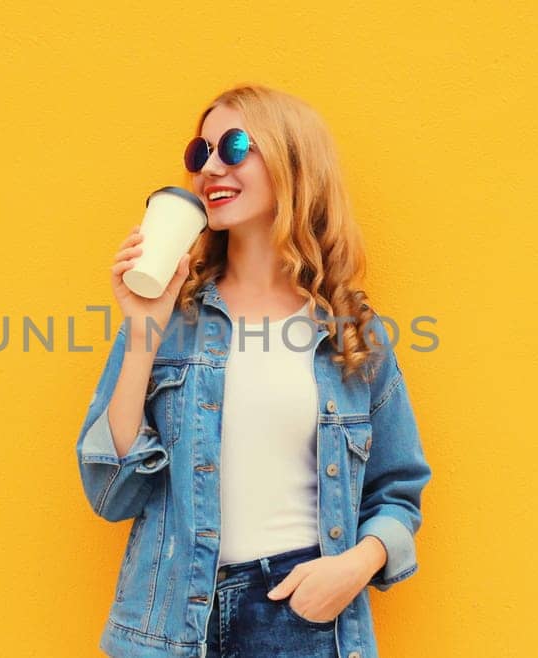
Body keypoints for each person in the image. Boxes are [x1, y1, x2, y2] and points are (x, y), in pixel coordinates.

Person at [74, 83, 432, 658]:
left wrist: (355, 567)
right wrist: (142, 327)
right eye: (201, 153)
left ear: (294, 162)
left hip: (301, 619)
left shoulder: (352, 336)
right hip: (169, 629)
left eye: (234, 147)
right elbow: (112, 493)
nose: (210, 168)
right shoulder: (169, 318)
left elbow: (399, 494)